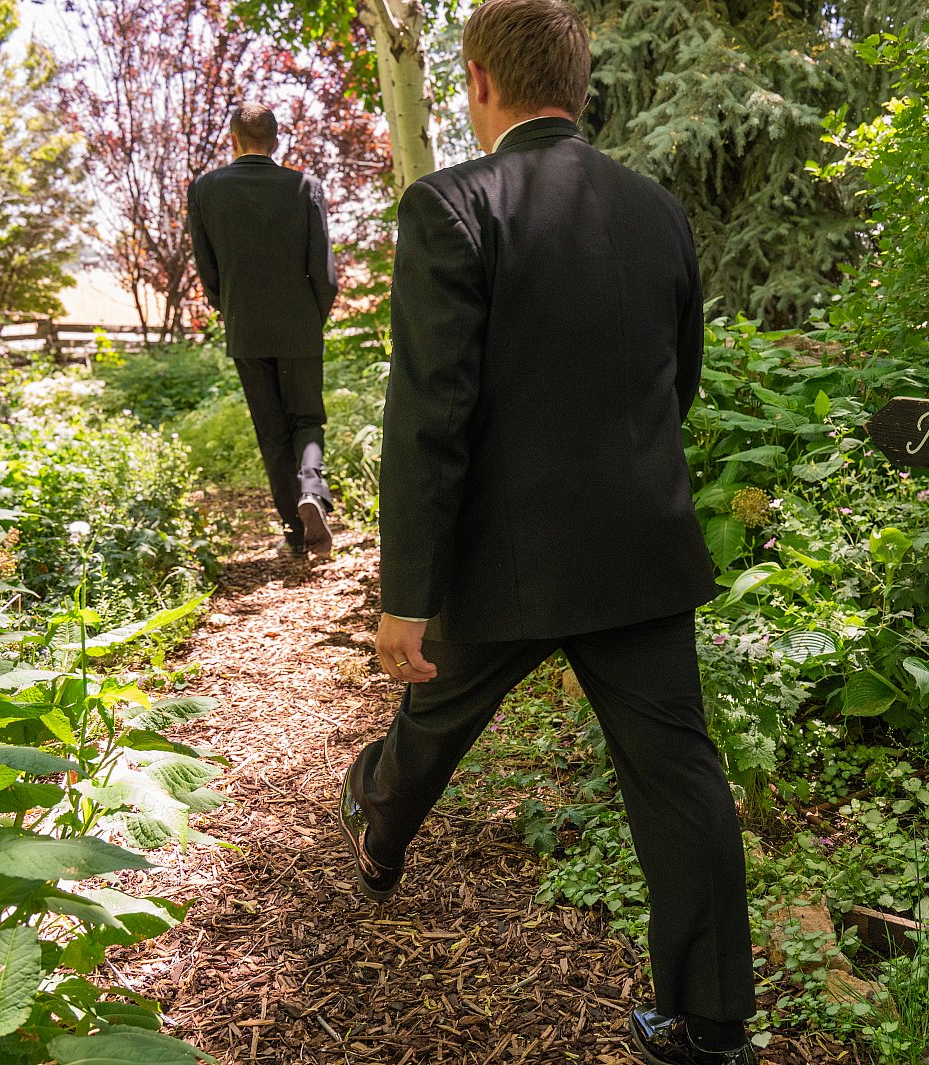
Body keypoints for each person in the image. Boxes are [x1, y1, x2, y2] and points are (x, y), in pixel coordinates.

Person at [333, 2, 759, 1062]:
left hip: (502, 561)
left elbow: (429, 414)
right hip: (637, 554)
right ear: (580, 83)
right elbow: (679, 384)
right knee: (680, 778)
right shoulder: (657, 211)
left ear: (479, 81)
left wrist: (407, 595)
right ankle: (711, 1026)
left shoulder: (450, 204)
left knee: (432, 717)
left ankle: (379, 825)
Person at [187, 103, 338, 559]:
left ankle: (294, 533)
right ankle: (311, 490)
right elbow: (325, 273)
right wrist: (312, 317)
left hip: (245, 328)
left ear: (233, 139)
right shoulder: (306, 187)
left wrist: (230, 310)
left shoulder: (204, 190)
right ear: (275, 140)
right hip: (300, 325)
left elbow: (208, 270)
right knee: (306, 420)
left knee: (271, 433)